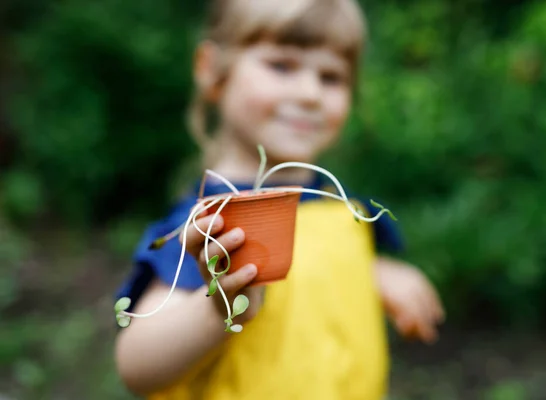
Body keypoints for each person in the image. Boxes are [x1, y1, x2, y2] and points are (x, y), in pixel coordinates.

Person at [113, 0, 445, 398]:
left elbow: (314, 262)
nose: (310, 93)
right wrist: (216, 309)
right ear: (212, 71)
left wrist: (371, 271)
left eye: (331, 77)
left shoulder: (341, 209)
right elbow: (135, 365)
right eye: (282, 66)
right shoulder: (210, 227)